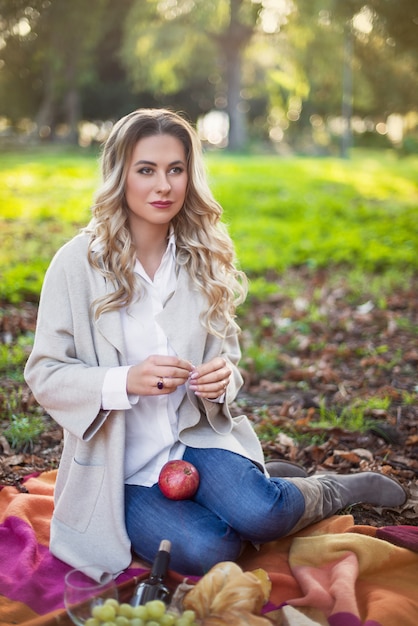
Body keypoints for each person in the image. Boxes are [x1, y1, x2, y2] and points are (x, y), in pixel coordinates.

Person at [24, 109, 406, 582]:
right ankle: (260, 490)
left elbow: (230, 360)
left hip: (193, 440)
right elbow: (44, 373)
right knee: (209, 551)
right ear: (120, 176)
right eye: (146, 170)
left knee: (262, 516)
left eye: (175, 169)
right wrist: (125, 380)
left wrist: (224, 378)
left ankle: (325, 489)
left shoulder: (200, 258)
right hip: (119, 472)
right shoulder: (75, 265)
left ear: (189, 175)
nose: (163, 185)